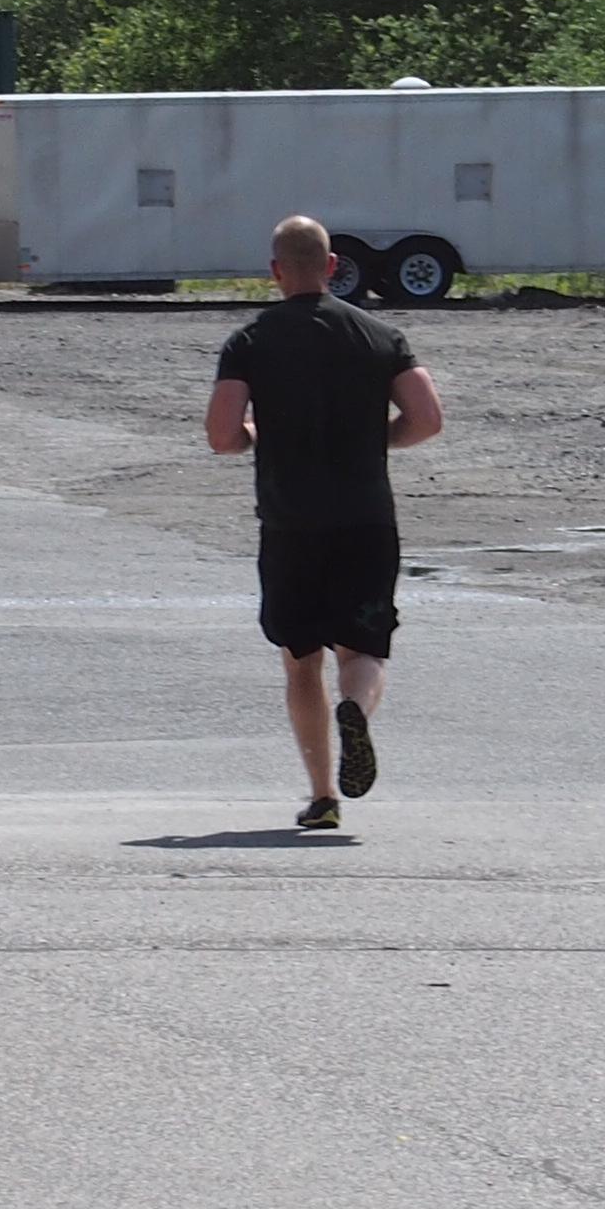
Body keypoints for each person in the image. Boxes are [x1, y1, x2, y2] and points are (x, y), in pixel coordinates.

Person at [207, 215, 444, 829]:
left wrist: (259, 435)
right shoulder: (380, 334)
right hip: (366, 520)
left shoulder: (250, 341)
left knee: (300, 657)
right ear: (333, 267)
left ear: (275, 272)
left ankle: (322, 796)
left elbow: (222, 434)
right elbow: (427, 417)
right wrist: (375, 440)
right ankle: (357, 710)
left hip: (291, 524)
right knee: (363, 648)